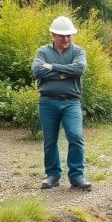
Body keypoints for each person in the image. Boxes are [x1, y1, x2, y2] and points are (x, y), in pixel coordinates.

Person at [32, 16, 91, 191]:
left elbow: (79, 69)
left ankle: (76, 176)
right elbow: (36, 71)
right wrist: (65, 73)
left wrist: (52, 67)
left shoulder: (78, 51)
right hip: (47, 102)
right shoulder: (42, 51)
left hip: (71, 102)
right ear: (53, 35)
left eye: (68, 36)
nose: (65, 39)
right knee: (50, 140)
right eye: (61, 36)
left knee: (75, 136)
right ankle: (52, 175)